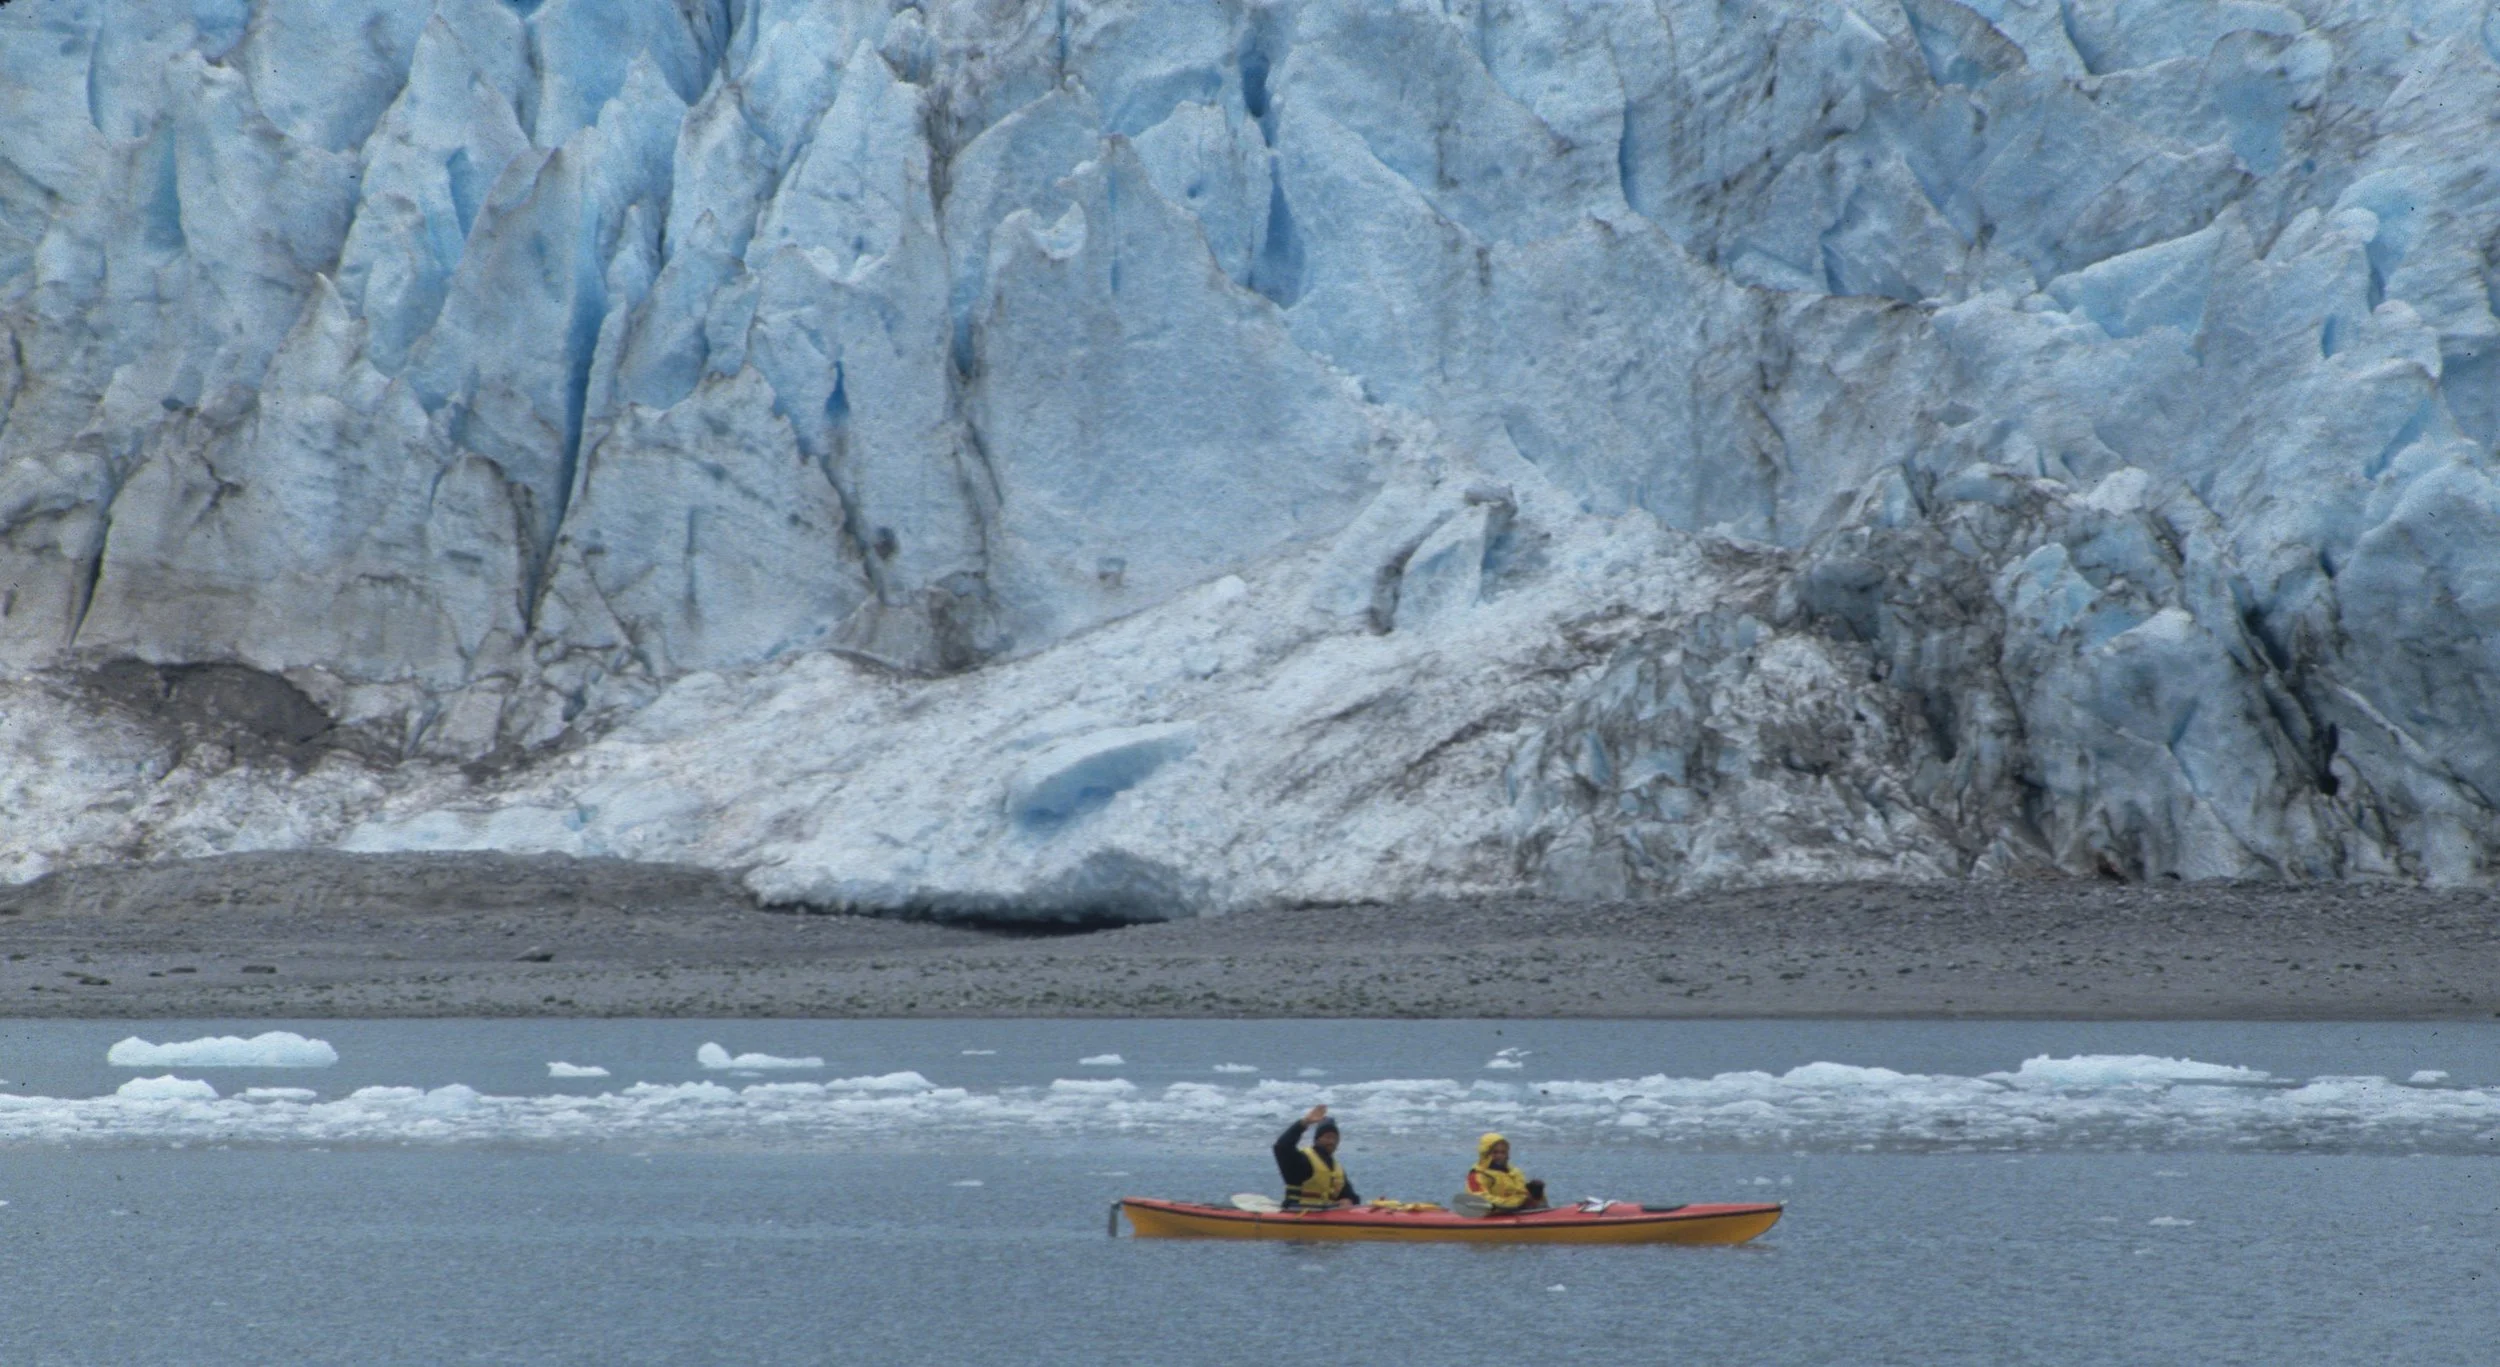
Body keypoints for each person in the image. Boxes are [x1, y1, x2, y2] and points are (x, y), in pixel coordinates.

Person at [1273, 1104, 1360, 1209]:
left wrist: (1348, 1199)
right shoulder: (1302, 1160)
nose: (1331, 1142)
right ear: (1317, 1139)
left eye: (1335, 1138)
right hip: (1297, 1213)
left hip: (1326, 1217)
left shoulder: (1337, 1170)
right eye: (1327, 1137)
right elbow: (1281, 1147)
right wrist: (1304, 1123)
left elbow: (1349, 1195)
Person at [1465, 1132, 1546, 1212]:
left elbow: (1522, 1194)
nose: (1499, 1156)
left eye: (1503, 1152)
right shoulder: (1477, 1175)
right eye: (1495, 1152)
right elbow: (1480, 1198)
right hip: (1491, 1216)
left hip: (1516, 1212)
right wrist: (1514, 1203)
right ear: (1485, 1154)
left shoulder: (1514, 1172)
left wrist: (1536, 1196)